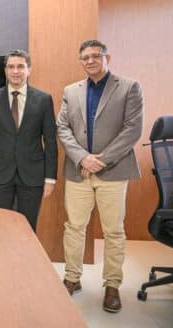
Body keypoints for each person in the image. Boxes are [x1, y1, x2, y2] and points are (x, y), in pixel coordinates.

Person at [57, 40, 143, 313]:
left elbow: (132, 129)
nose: (90, 61)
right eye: (85, 57)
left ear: (108, 58)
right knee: (74, 227)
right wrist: (83, 158)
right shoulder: (71, 91)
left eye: (96, 56)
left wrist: (100, 161)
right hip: (78, 171)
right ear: (81, 61)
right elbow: (63, 128)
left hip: (113, 171)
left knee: (113, 231)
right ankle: (72, 278)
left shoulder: (129, 87)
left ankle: (112, 285)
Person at [0, 49, 58, 231]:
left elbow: (50, 141)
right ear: (5, 70)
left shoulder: (44, 100)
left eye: (21, 67)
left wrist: (50, 178)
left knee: (28, 226)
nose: (16, 71)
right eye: (11, 67)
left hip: (33, 175)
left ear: (29, 69)